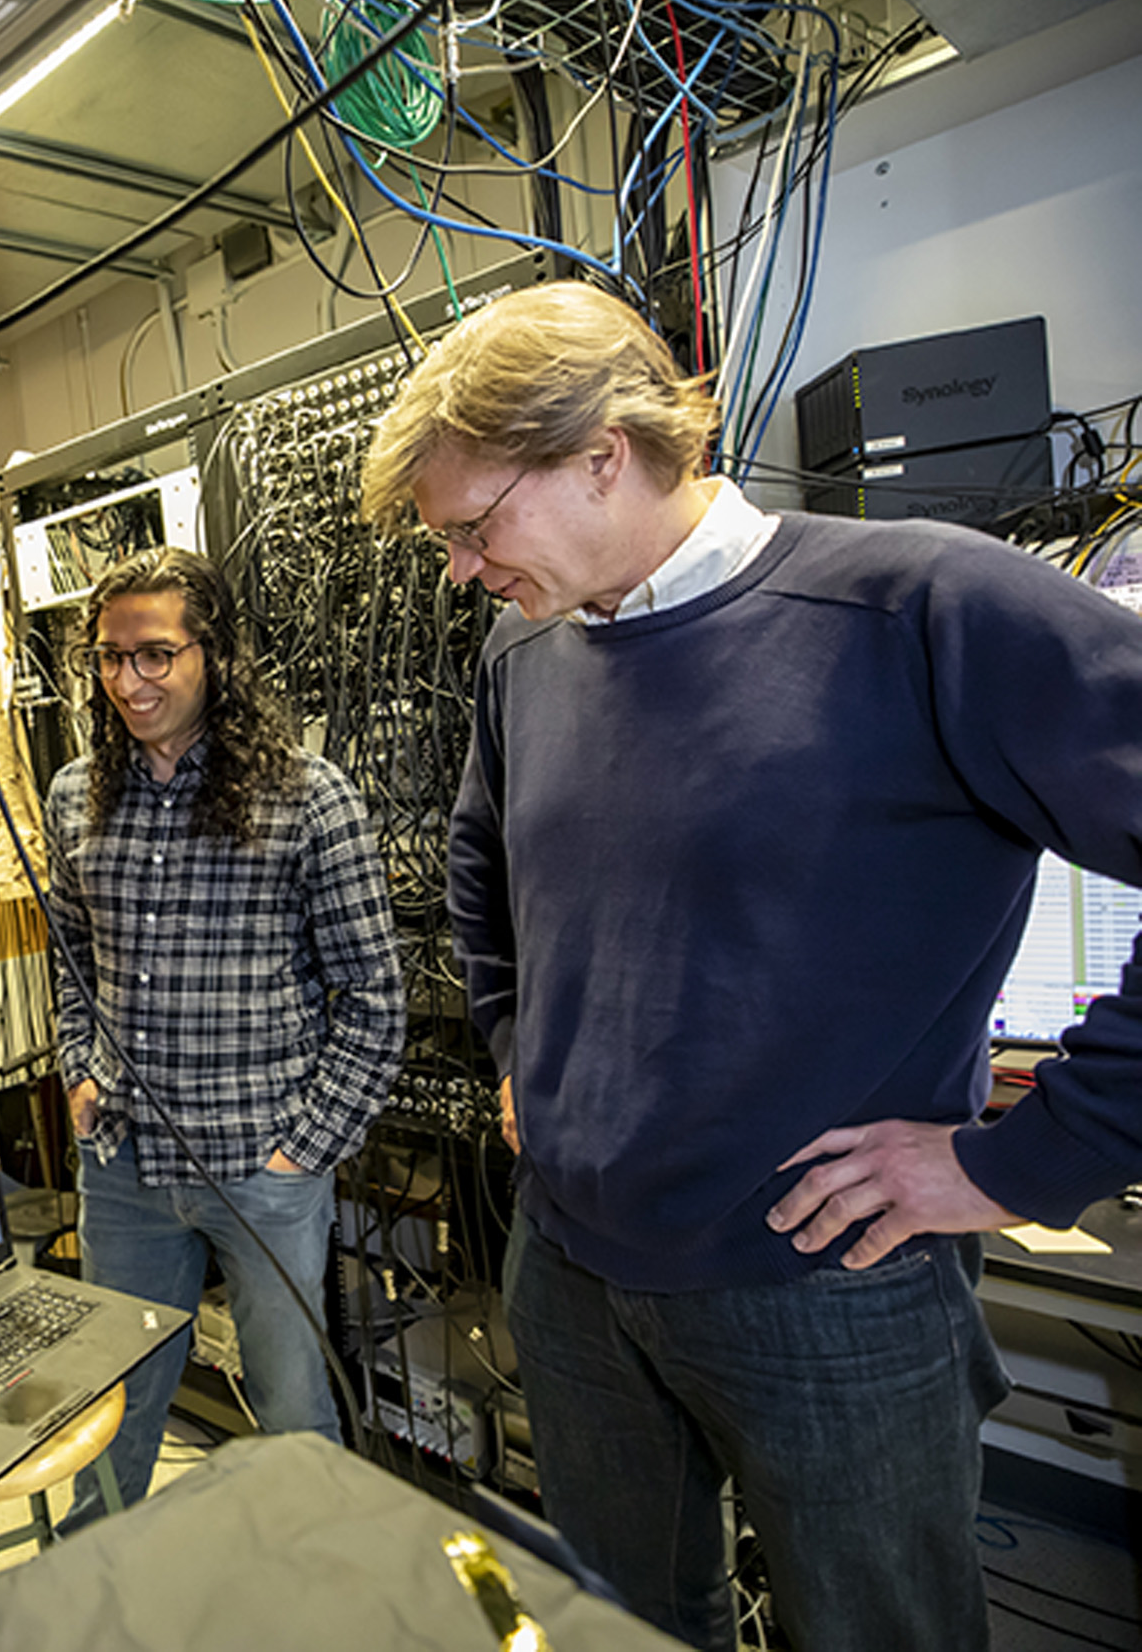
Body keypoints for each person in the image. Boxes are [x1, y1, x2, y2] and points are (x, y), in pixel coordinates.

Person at [359, 280, 1142, 1652]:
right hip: (574, 1269)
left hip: (828, 1283)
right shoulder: (526, 649)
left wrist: (1018, 1162)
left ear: (605, 451)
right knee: (622, 1625)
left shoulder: (919, 606)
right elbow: (481, 858)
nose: (463, 568)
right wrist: (510, 1046)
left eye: (475, 526)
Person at [45, 546, 407, 1524]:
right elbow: (67, 957)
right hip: (123, 1162)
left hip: (263, 1165)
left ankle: (315, 1595)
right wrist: (80, 1071)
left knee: (293, 1414)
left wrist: (302, 1151)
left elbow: (374, 996)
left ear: (213, 653)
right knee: (110, 1411)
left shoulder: (307, 794)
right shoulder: (76, 794)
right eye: (111, 658)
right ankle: (100, 1595)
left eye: (156, 654)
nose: (130, 680)